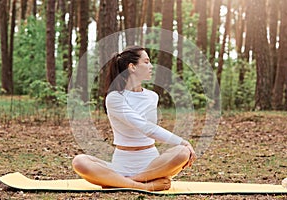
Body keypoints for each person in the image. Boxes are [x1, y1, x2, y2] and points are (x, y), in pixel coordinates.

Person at [72, 45, 196, 191]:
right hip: (121, 164)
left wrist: (183, 146)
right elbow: (146, 127)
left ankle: (121, 182)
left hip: (152, 165)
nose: (151, 66)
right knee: (79, 161)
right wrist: (183, 141)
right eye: (146, 62)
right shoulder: (115, 97)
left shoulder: (152, 96)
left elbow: (150, 128)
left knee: (182, 152)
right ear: (132, 67)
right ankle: (143, 185)